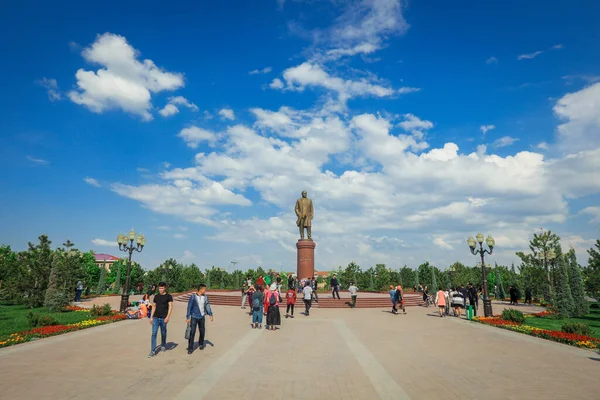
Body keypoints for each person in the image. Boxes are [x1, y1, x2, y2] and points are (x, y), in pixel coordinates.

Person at [186, 284, 213, 354]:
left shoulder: (205, 297)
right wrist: (188, 317)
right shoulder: (193, 297)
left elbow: (207, 305)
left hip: (202, 316)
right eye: (204, 289)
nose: (205, 290)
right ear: (201, 289)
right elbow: (189, 307)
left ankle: (201, 344)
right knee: (192, 332)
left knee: (202, 331)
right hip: (194, 316)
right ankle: (190, 348)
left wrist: (210, 314)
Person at [148, 282, 173, 358]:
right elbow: (154, 306)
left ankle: (163, 345)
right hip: (156, 317)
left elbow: (170, 307)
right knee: (154, 333)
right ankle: (153, 350)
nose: (160, 290)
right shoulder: (156, 296)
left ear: (165, 288)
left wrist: (167, 317)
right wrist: (151, 317)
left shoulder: (168, 296)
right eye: (159, 288)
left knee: (163, 332)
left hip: (163, 318)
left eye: (162, 288)